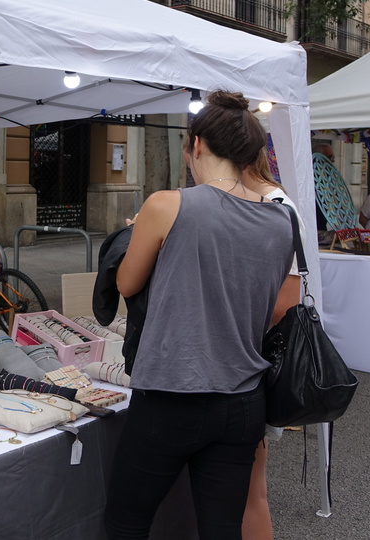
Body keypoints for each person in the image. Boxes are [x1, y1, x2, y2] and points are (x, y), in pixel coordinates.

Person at [103, 91, 295, 540]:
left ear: (197, 144)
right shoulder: (281, 221)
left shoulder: (167, 205)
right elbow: (269, 305)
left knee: (126, 523)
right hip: (244, 398)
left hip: (171, 393)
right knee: (222, 528)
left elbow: (125, 283)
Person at [240, 150, 305, 540]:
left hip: (255, 359)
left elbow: (285, 302)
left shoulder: (275, 205)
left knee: (251, 487)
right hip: (247, 359)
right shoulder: (263, 200)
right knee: (245, 485)